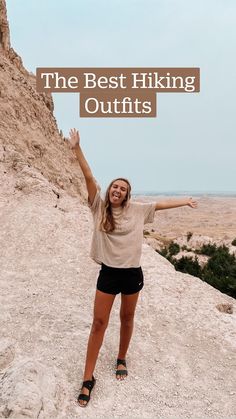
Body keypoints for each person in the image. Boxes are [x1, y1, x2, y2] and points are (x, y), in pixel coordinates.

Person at [68, 128, 197, 407]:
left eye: (123, 189)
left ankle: (121, 358)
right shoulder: (99, 207)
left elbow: (161, 204)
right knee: (99, 323)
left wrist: (184, 201)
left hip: (132, 274)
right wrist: (77, 149)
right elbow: (89, 177)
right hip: (109, 274)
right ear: (110, 190)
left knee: (127, 319)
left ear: (127, 195)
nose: (117, 190)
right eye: (115, 186)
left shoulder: (137, 210)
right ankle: (88, 378)